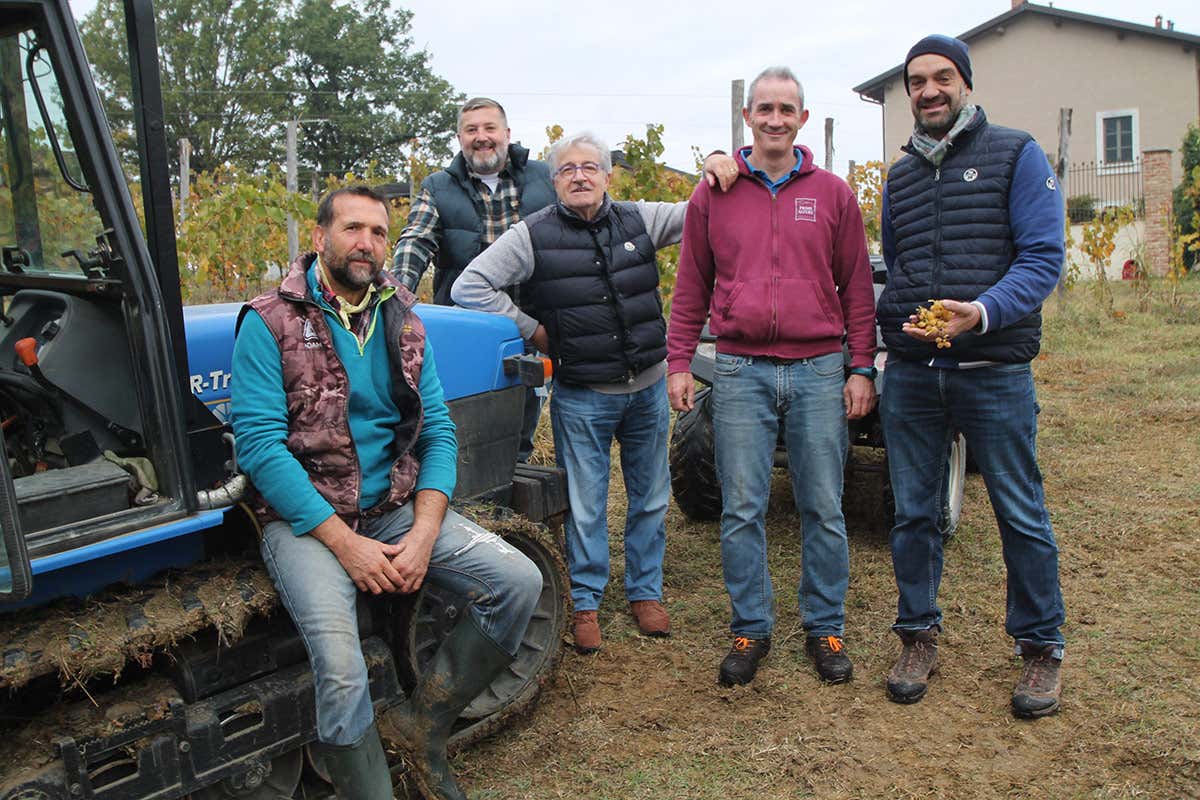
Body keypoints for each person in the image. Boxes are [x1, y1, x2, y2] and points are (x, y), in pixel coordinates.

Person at [231, 186, 543, 800]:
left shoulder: (401, 316)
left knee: (519, 583)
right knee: (342, 670)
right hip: (308, 524)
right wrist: (345, 545)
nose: (366, 243)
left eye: (378, 232)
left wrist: (425, 533)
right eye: (352, 228)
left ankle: (420, 731)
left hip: (394, 510)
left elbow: (440, 431)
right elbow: (261, 449)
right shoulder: (270, 322)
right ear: (320, 238)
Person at [452, 132, 707, 655]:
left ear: (607, 175)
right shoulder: (533, 235)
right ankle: (587, 598)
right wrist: (533, 329)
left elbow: (698, 210)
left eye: (590, 167)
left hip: (648, 386)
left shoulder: (639, 219)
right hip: (584, 393)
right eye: (567, 169)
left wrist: (724, 165)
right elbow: (469, 285)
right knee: (586, 503)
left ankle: (645, 592)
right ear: (555, 180)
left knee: (652, 497)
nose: (579, 176)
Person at [666, 67, 877, 688]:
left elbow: (857, 289)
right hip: (739, 369)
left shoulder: (834, 194)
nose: (776, 118)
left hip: (816, 370)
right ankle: (750, 626)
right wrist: (680, 359)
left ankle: (825, 626)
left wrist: (860, 365)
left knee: (822, 504)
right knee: (742, 507)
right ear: (748, 117)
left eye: (787, 109)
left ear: (803, 119)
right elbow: (691, 284)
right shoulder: (716, 193)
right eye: (765, 108)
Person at [877, 35, 1066, 718]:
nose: (929, 90)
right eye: (917, 81)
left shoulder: (1016, 154)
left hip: (992, 369)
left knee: (1020, 510)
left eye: (942, 77)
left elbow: (1043, 259)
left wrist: (980, 313)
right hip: (914, 372)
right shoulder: (899, 176)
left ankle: (1041, 648)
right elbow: (898, 263)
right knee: (914, 512)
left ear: (965, 82)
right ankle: (917, 635)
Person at [392, 97, 555, 463]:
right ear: (460, 138)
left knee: (522, 418)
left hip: (532, 325)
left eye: (489, 128)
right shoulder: (438, 187)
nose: (481, 137)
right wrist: (396, 294)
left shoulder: (545, 178)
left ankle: (514, 482)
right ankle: (463, 491)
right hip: (466, 328)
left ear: (507, 134)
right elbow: (415, 240)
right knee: (459, 416)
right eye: (471, 130)